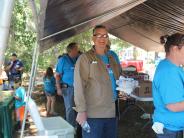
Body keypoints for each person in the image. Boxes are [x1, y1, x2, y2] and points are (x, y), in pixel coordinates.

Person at [74, 25, 125, 138]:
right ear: (93, 38)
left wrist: (125, 87)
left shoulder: (112, 58)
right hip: (93, 114)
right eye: (99, 35)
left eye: (105, 35)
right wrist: (81, 111)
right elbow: (79, 86)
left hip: (112, 111)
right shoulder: (85, 58)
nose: (102, 38)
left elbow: (119, 79)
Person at [152, 33, 184, 138]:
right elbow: (173, 106)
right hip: (170, 130)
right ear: (175, 49)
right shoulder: (169, 71)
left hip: (172, 127)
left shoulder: (171, 67)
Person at [55, 42, 79, 127]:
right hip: (68, 88)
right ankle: (70, 129)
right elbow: (57, 75)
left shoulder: (78, 58)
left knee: (78, 108)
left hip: (78, 88)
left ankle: (77, 127)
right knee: (69, 109)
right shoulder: (63, 60)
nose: (78, 50)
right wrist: (58, 88)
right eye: (76, 49)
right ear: (71, 50)